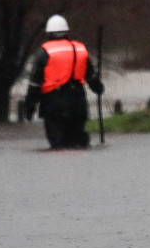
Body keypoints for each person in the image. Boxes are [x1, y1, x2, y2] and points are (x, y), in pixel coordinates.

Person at [24, 15, 104, 149]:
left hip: (53, 105)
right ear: (66, 31)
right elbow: (91, 77)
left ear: (49, 33)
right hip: (78, 101)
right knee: (78, 141)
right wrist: (99, 88)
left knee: (58, 145)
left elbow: (35, 84)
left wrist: (30, 106)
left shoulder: (44, 53)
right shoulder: (80, 50)